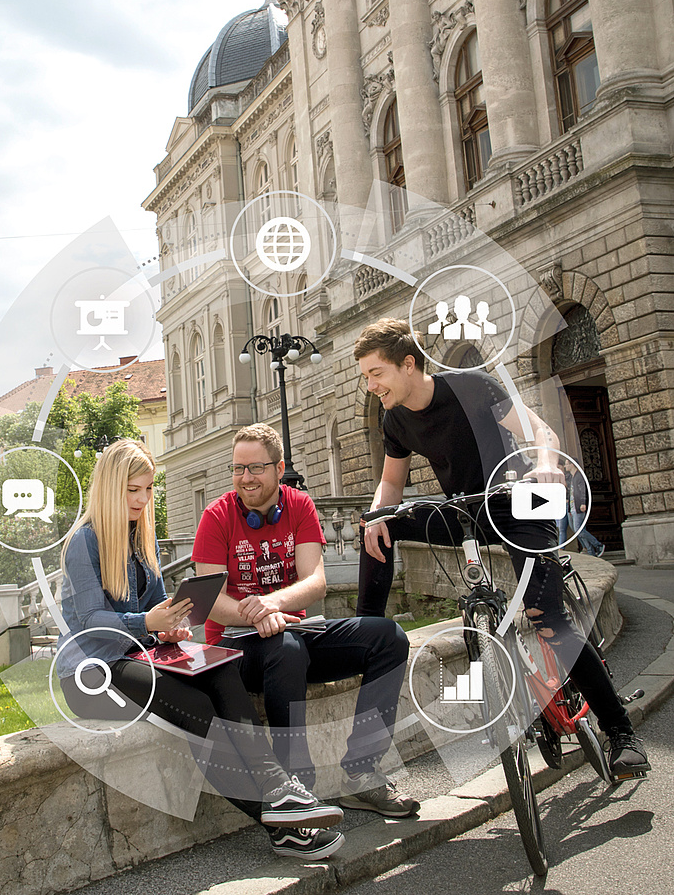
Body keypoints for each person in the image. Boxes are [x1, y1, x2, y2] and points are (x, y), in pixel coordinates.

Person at [353, 317, 649, 777]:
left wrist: (548, 468)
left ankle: (621, 733)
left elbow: (542, 435)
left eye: (376, 374)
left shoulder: (472, 387)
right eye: (366, 376)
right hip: (469, 508)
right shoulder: (395, 419)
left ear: (407, 365)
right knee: (378, 529)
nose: (371, 385)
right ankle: (366, 633)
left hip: (522, 498)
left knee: (548, 619)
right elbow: (391, 483)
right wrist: (375, 516)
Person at [57, 439, 345, 860]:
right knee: (197, 707)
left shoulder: (141, 539)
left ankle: (279, 791)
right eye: (131, 490)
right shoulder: (84, 542)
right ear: (108, 488)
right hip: (91, 672)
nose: (141, 500)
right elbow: (89, 622)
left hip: (139, 654)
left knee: (221, 669)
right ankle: (282, 819)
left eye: (148, 489)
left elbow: (159, 607)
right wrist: (147, 624)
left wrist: (170, 627)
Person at [192, 423, 419, 818]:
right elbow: (208, 601)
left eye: (256, 468)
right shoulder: (216, 516)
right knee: (286, 649)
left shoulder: (299, 505)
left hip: (293, 632)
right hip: (235, 649)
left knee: (389, 637)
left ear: (280, 469)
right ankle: (297, 786)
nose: (245, 478)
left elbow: (315, 582)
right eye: (237, 469)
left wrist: (271, 604)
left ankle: (362, 774)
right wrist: (258, 616)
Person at [557, 463, 605, 558]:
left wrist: (583, 503)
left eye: (566, 464)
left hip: (578, 507)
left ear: (572, 464)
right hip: (571, 508)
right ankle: (590, 552)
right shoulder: (572, 477)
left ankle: (598, 545)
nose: (566, 466)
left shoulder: (578, 476)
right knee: (577, 530)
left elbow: (582, 490)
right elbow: (572, 493)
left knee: (579, 530)